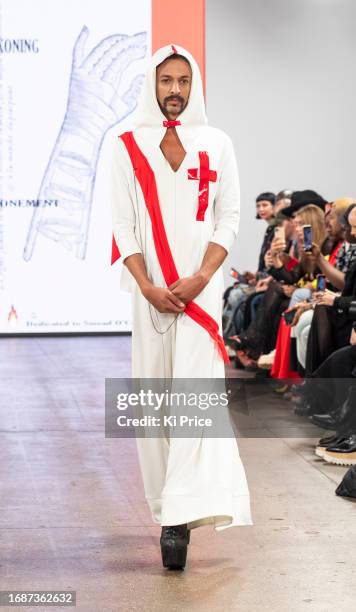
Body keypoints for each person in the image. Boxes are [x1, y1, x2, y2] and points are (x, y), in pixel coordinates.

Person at [110, 44, 252, 570]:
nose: (175, 90)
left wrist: (201, 277)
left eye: (183, 81)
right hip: (149, 299)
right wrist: (147, 285)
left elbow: (230, 217)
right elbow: (121, 225)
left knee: (194, 403)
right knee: (154, 405)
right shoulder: (124, 146)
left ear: (194, 87)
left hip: (201, 297)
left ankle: (179, 520)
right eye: (166, 80)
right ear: (153, 85)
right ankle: (165, 505)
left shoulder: (217, 143)